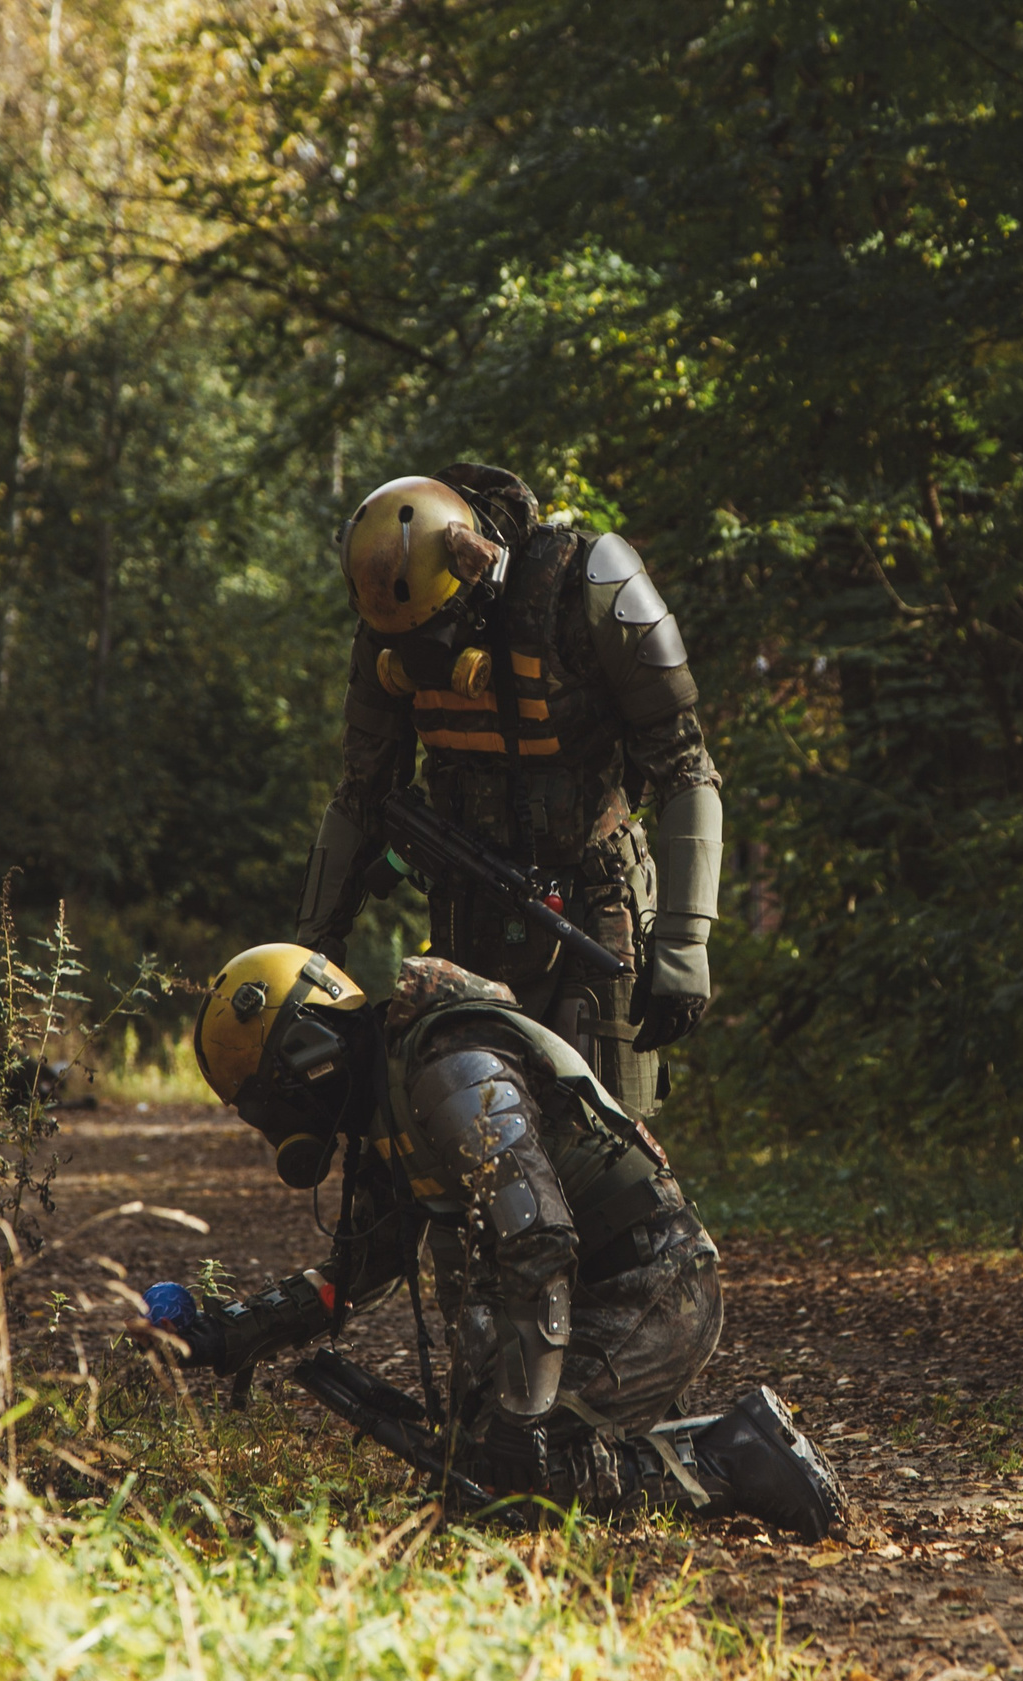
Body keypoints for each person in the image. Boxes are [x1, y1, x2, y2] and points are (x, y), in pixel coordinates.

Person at [140, 942, 846, 1540]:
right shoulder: (390, 1095)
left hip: (654, 1286)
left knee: (511, 1486)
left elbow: (539, 1239)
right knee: (480, 1468)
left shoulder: (450, 1071)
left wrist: (522, 1417)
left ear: (307, 1053)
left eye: (274, 1104)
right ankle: (631, 1440)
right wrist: (225, 1336)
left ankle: (739, 1456)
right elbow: (358, 1270)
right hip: (603, 1293)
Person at [293, 464, 721, 1120]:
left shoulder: (589, 588)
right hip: (466, 924)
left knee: (605, 1152)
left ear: (477, 573)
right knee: (460, 1152)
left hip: (599, 917)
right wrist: (314, 954)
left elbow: (687, 771)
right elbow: (361, 795)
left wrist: (685, 946)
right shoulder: (390, 611)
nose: (428, 658)